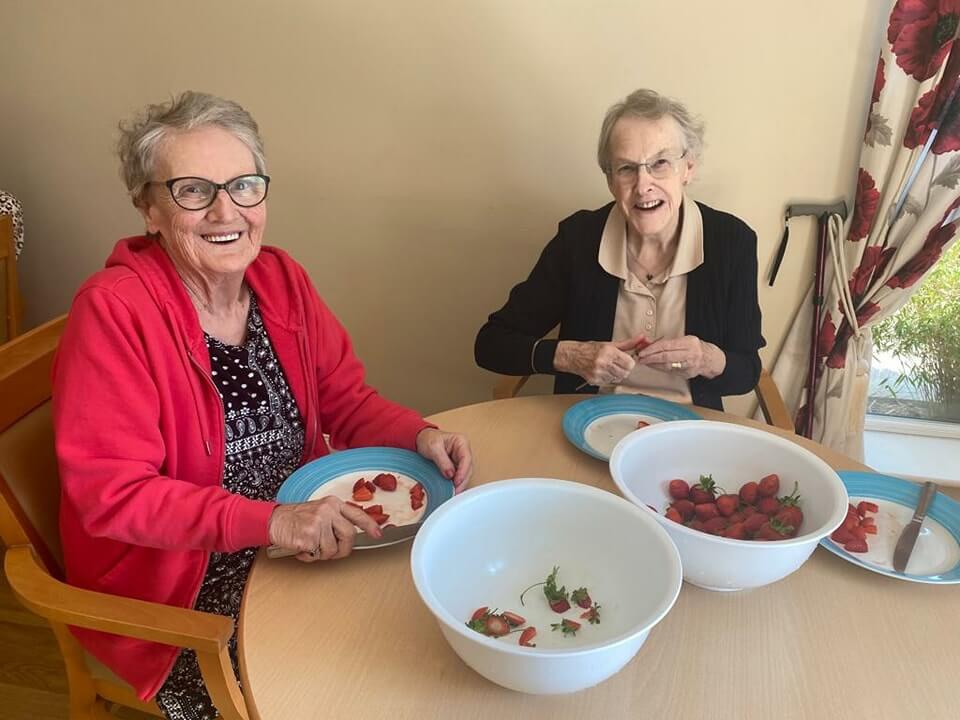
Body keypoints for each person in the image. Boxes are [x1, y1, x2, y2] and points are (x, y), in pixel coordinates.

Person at [52, 91, 473, 719]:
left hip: (300, 540)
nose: (227, 210)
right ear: (150, 209)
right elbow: (112, 494)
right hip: (182, 591)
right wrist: (271, 521)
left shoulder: (281, 279)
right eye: (193, 190)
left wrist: (419, 435)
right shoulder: (114, 311)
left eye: (244, 185)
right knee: (337, 695)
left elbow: (347, 400)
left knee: (425, 637)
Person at [474, 88, 764, 410]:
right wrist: (571, 356)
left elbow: (747, 371)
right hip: (588, 424)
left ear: (688, 169)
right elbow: (491, 344)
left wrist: (707, 359)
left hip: (689, 430)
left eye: (660, 163)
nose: (643, 186)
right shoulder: (578, 240)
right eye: (626, 168)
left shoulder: (732, 243)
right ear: (610, 179)